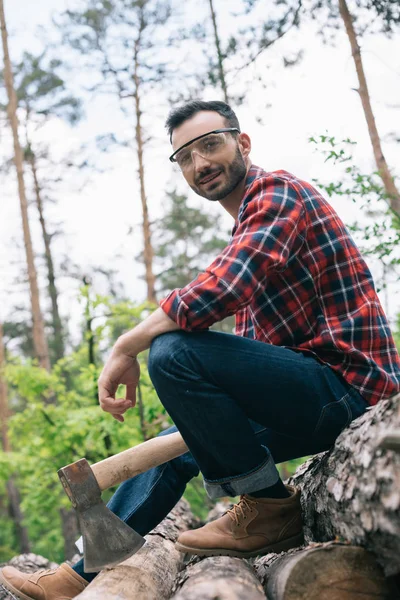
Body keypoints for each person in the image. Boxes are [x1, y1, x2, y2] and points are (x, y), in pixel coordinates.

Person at [1, 100, 400, 600]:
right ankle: (81, 572)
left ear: (243, 143)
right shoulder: (247, 228)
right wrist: (202, 421)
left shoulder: (278, 194)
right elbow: (252, 358)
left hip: (351, 390)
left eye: (210, 145)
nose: (200, 164)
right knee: (176, 443)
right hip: (312, 397)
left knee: (173, 352)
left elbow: (220, 290)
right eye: (186, 157)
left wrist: (127, 344)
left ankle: (268, 507)